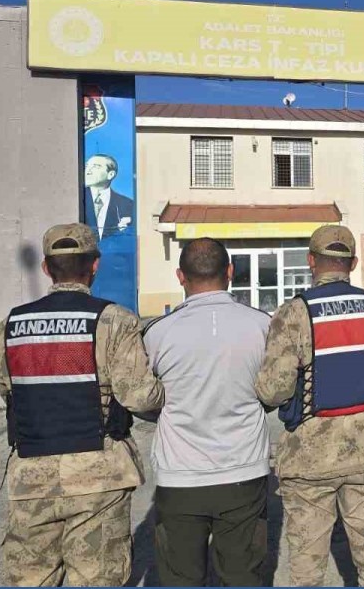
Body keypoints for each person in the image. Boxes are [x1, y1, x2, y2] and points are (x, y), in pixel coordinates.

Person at [0, 223, 164, 586]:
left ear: (46, 268)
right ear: (94, 265)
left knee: (31, 579)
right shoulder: (115, 321)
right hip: (98, 475)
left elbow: (7, 388)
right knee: (98, 578)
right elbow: (138, 396)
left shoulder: (9, 325)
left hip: (31, 475)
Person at [256, 225, 364, 587]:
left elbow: (274, 391)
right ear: (353, 263)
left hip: (311, 456)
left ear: (311, 261)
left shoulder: (294, 314)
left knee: (307, 569)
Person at [142, 237, 273, 586]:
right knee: (243, 577)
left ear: (180, 276)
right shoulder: (262, 325)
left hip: (179, 476)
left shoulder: (158, 333)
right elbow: (275, 390)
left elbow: (143, 397)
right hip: (244, 472)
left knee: (181, 579)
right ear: (230, 271)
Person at [83, 154, 134, 240]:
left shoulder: (128, 205)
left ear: (110, 174)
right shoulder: (77, 199)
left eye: (96, 167)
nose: (88, 171)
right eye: (86, 166)